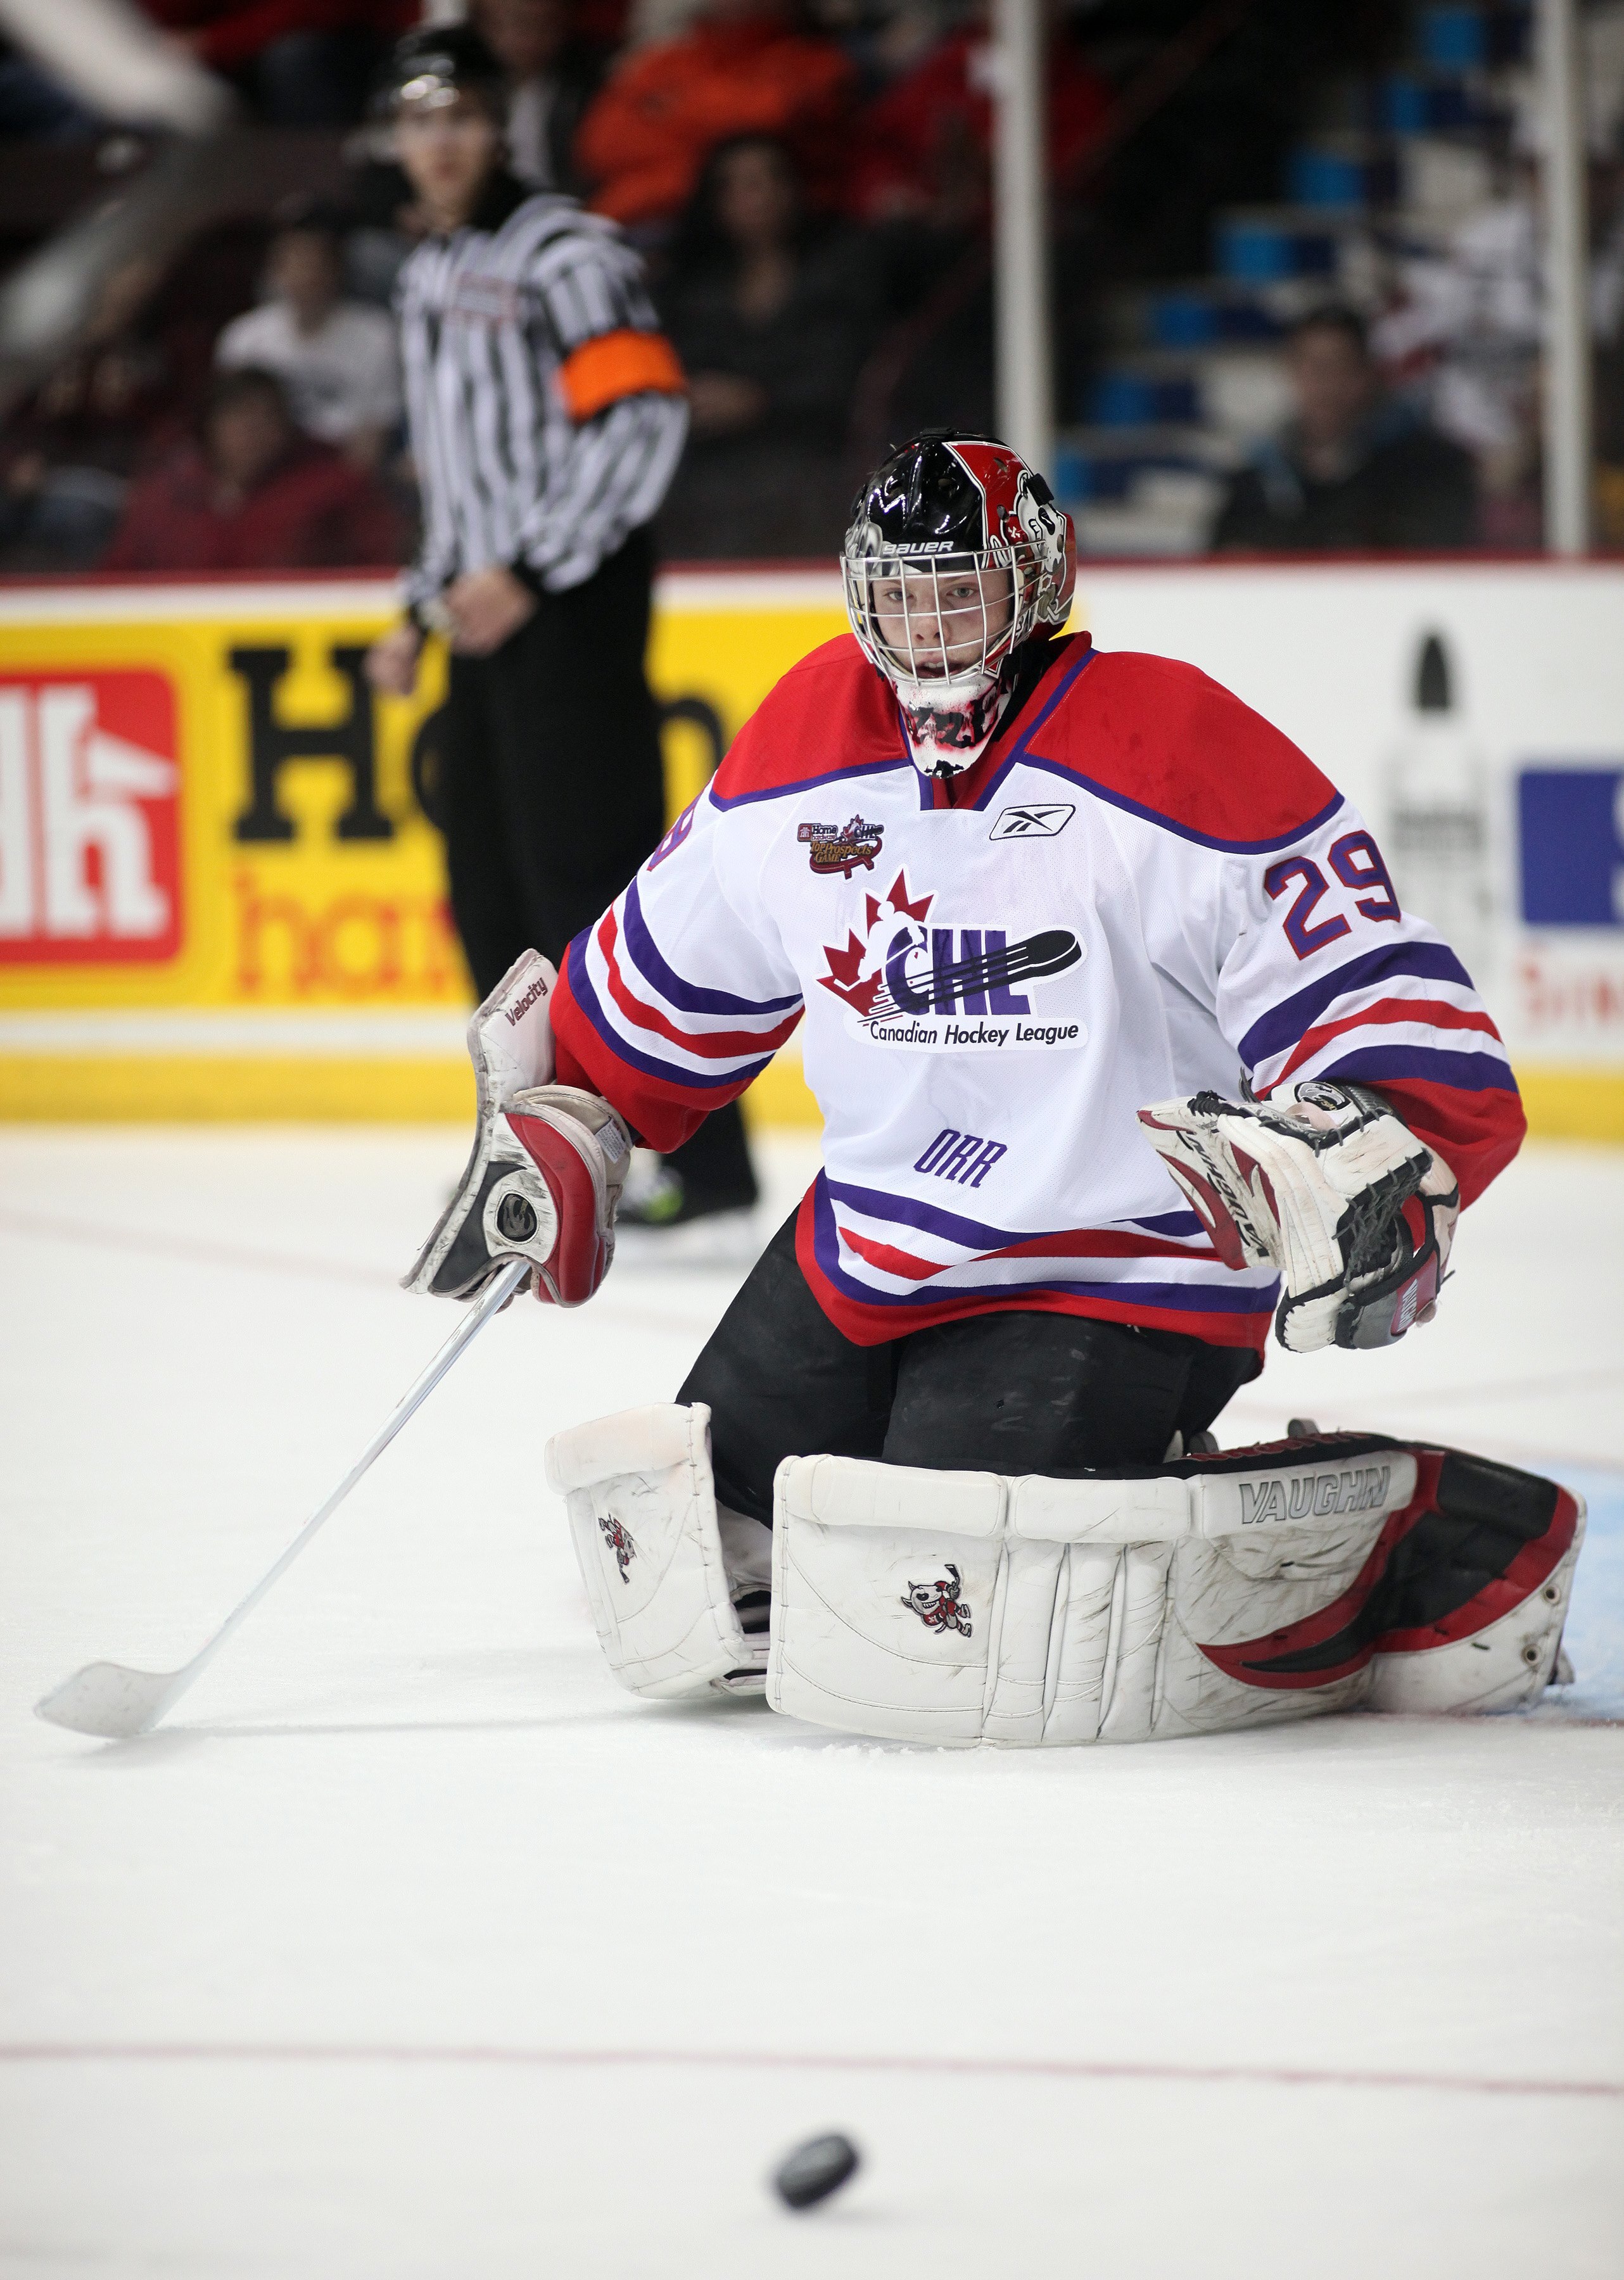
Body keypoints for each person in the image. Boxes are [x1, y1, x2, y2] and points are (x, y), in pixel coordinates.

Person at [405, 429, 1569, 1747]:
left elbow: (1350, 963)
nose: (928, 628)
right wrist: (577, 1114)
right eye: (899, 596)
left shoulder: (1166, 737)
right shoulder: (805, 737)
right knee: (710, 1556)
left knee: (962, 1597)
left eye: (957, 591)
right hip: (874, 1244)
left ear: (1036, 581)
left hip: (1122, 1255)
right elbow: (669, 974)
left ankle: (1413, 1528)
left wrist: (1381, 1129)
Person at [364, 24, 759, 1233]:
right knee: (485, 891)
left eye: (461, 117)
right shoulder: (425, 269)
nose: (439, 142)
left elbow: (640, 417)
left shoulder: (565, 253)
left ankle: (702, 1161)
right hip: (488, 611)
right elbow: (459, 472)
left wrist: (526, 571)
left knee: (595, 890)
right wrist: (421, 608)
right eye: (418, 119)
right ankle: (535, 1147)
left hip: (569, 599)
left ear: (497, 126)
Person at [657, 134, 880, 557]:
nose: (754, 197)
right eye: (737, 185)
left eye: (767, 180)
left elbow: (854, 375)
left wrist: (762, 401)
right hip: (710, 479)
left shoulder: (843, 270)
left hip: (815, 467)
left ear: (793, 189)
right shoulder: (690, 290)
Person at [1211, 306, 1477, 553]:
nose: (1324, 383)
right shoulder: (1255, 482)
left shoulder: (1424, 469)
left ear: (1366, 374)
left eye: (1339, 366)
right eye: (1312, 366)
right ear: (1292, 372)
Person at [574, 0, 854, 234]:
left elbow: (761, 122)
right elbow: (600, 146)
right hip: (626, 224)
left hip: (765, 242)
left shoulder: (813, 64)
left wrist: (670, 114)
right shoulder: (665, 62)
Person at [101, 365, 402, 571]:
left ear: (286, 427)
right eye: (238, 417)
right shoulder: (164, 495)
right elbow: (117, 581)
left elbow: (379, 569)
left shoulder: (334, 489)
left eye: (265, 418)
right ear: (209, 426)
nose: (251, 431)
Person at [216, 206, 402, 467]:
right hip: (266, 470)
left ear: (336, 271)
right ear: (274, 274)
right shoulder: (244, 338)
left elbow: (373, 437)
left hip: (336, 470)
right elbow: (229, 428)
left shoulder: (378, 336)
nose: (305, 276)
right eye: (293, 264)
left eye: (314, 265)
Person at [474, 0, 607, 195]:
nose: (534, 39)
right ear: (487, 24)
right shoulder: (470, 87)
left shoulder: (586, 87)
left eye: (548, 25)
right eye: (522, 24)